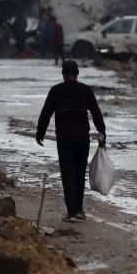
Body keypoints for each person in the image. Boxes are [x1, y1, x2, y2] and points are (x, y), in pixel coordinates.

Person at [36, 60, 107, 222]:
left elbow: (46, 113)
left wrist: (40, 133)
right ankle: (79, 210)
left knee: (68, 174)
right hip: (82, 139)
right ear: (77, 73)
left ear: (63, 74)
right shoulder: (85, 90)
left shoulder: (56, 91)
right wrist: (102, 133)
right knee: (79, 174)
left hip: (64, 139)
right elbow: (96, 113)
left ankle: (72, 211)